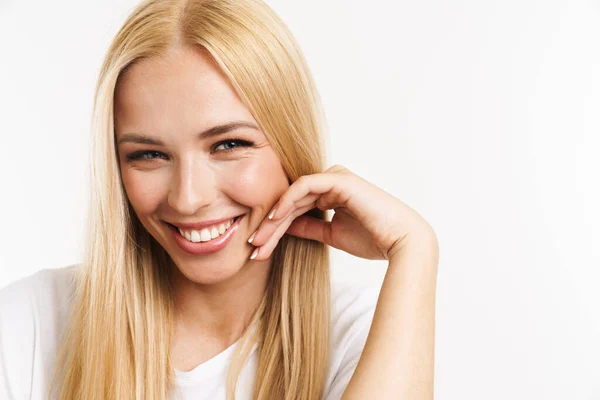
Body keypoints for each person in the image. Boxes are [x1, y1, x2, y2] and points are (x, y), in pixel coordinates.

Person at [0, 0, 439, 399]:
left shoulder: (361, 333)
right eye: (149, 155)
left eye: (228, 145)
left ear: (291, 146)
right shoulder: (28, 327)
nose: (188, 198)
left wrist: (414, 248)